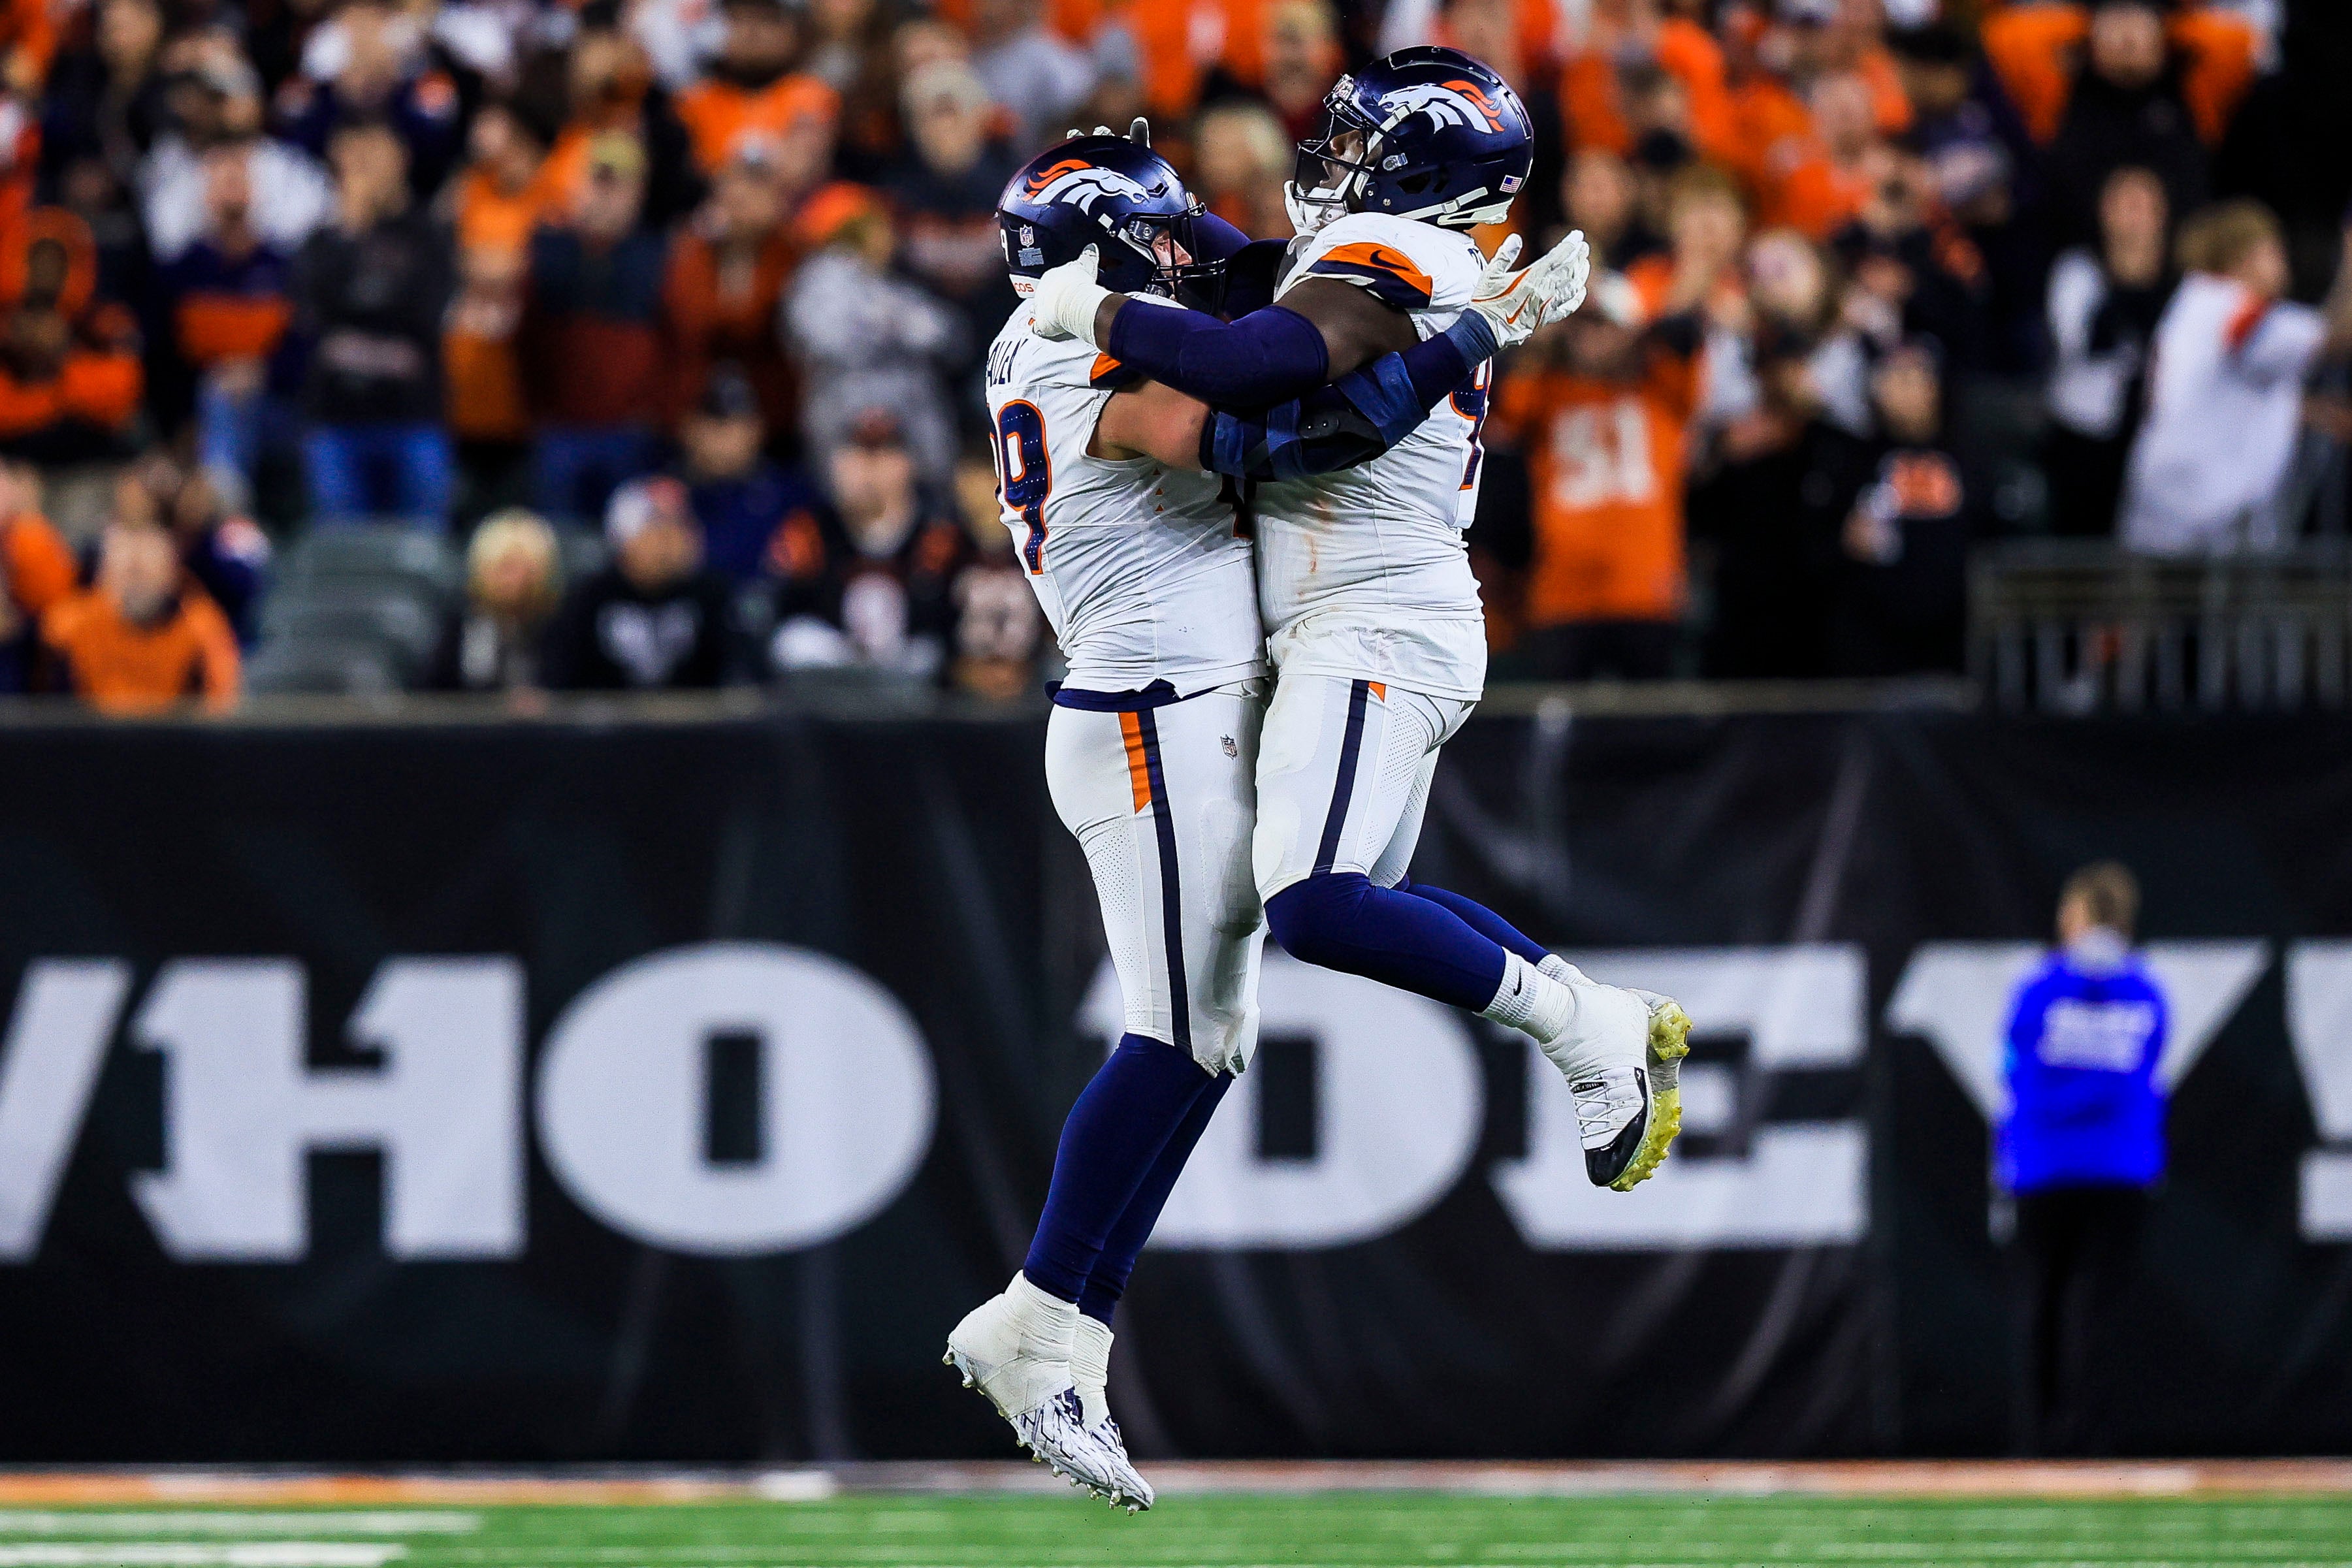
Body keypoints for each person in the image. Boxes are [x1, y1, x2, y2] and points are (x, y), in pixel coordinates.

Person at [946, 99, 1602, 1507]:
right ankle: (1040, 1326)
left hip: (1174, 710)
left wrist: (1395, 277)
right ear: (1110, 254)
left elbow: (1251, 288)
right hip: (1151, 718)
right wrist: (1483, 332)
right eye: (1164, 233)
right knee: (1179, 1033)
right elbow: (1299, 438)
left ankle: (1059, 1330)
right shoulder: (1082, 353)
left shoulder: (1070, 320)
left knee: (1205, 1037)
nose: (1192, 252)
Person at [1027, 51, 1688, 1202]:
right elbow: (1258, 282)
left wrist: (1100, 304)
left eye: (1360, 147)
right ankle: (1597, 1019)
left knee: (1318, 903)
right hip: (1364, 613)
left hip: (1374, 617)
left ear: (1426, 174)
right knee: (1358, 901)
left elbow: (1257, 359)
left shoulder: (1406, 254)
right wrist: (1148, 208)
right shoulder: (1398, 256)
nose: (1331, 161)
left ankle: (1588, 1030)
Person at [2000, 860, 2168, 1456]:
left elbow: (2015, 1072)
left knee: (2043, 1304)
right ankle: (2090, 1438)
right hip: (2117, 1167)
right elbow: (2146, 1069)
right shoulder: (2144, 988)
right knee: (2095, 1308)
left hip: (2045, 1165)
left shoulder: (2039, 987)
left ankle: (2040, 1440)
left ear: (2076, 915)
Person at [2120, 201, 2352, 554]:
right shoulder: (2237, 306)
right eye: (2272, 248)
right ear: (2241, 257)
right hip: (2204, 516)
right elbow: (2336, 338)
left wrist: (2309, 410)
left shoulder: (2193, 302)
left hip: (2167, 503)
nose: (2282, 259)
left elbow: (2224, 391)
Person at [294, 116, 456, 521]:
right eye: (352, 157)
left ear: (400, 157)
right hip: (337, 419)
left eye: (371, 154)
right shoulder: (323, 239)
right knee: (342, 557)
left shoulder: (429, 235)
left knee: (421, 553)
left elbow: (423, 313)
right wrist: (351, 230)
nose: (361, 168)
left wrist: (357, 322)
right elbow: (313, 311)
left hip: (413, 418)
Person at [520, 132, 669, 524]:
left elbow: (673, 341)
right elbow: (529, 336)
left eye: (618, 186)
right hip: (561, 428)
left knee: (628, 537)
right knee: (560, 535)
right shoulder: (552, 247)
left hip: (629, 430)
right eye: (599, 182)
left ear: (639, 192)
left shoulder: (656, 254)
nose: (606, 196)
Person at [2045, 166, 2172, 537]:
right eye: (2127, 204)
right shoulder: (2078, 269)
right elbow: (2078, 344)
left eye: (2147, 206)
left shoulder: (2179, 279)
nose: (2138, 217)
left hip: (2154, 432)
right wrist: (2128, 281)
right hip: (2084, 434)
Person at [541, 475, 736, 690]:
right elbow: (562, 681)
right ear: (625, 539)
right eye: (660, 530)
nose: (675, 541)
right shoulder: (588, 599)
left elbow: (734, 677)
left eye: (681, 526)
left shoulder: (712, 595)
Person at [37, 514, 239, 712]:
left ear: (172, 573)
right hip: (91, 739)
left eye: (146, 569)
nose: (135, 582)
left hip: (175, 740)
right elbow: (40, 706)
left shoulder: (202, 626)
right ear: (103, 576)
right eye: (126, 570)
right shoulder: (67, 625)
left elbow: (222, 705)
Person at [427, 507, 562, 693]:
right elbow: (432, 693)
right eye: (505, 567)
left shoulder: (559, 625)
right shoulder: (460, 624)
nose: (514, 579)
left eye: (524, 568)